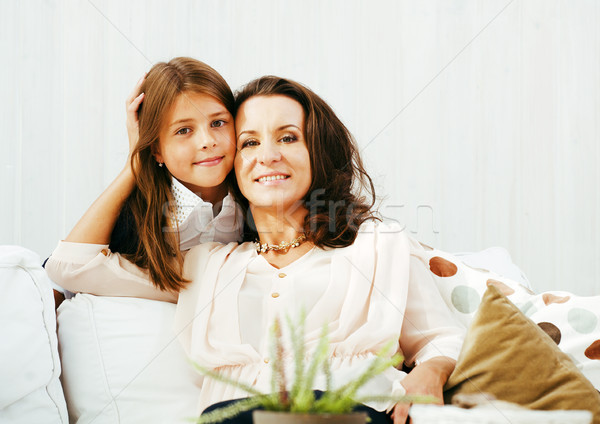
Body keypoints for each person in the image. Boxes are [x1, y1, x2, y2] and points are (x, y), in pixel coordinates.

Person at [47, 75, 465, 424]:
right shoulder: (206, 265)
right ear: (233, 163)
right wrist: (138, 161)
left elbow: (442, 338)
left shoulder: (377, 246)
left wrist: (430, 371)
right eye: (248, 143)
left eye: (287, 137)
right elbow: (71, 266)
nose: (267, 155)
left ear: (317, 150)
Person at [47, 57, 243, 302]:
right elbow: (66, 266)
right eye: (184, 130)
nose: (207, 141)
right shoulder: (139, 216)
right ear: (156, 149)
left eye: (218, 123)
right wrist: (136, 159)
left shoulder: (254, 201)